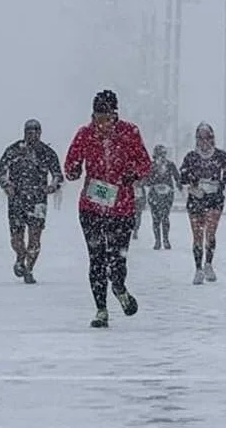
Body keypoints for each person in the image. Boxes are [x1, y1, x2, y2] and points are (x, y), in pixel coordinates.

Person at [64, 90, 152, 328]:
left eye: (106, 119)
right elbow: (70, 166)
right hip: (92, 206)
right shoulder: (85, 134)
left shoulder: (129, 133)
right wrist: (72, 170)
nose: (101, 125)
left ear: (115, 116)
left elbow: (145, 164)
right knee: (97, 259)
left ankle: (119, 287)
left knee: (118, 259)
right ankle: (101, 309)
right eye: (97, 118)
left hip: (122, 206)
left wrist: (132, 174)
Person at [0, 119, 64, 284]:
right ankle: (20, 255)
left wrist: (52, 186)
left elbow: (57, 174)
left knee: (35, 237)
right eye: (29, 131)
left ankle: (29, 269)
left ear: (40, 133)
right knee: (16, 238)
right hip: (17, 199)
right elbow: (0, 170)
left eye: (36, 131)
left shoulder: (47, 152)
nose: (32, 135)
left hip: (38, 200)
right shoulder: (14, 150)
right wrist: (7, 185)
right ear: (24, 132)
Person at [179, 122, 226, 285]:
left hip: (214, 199)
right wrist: (193, 181)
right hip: (196, 199)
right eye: (200, 138)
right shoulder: (190, 157)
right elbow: (182, 176)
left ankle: (208, 264)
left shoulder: (220, 156)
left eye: (207, 138)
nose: (204, 142)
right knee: (197, 235)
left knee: (210, 232)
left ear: (212, 139)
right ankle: (198, 269)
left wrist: (219, 183)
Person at [144, 144, 182, 250]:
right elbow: (147, 180)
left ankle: (165, 239)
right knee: (156, 218)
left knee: (165, 217)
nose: (161, 157)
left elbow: (177, 177)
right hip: (154, 194)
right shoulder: (151, 166)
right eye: (159, 154)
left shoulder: (170, 165)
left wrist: (179, 185)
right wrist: (151, 182)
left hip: (167, 194)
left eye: (163, 154)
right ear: (155, 155)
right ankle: (157, 241)